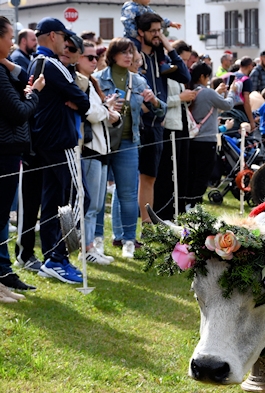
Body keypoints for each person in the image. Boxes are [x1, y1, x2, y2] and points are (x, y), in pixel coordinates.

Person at [27, 17, 90, 283]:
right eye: (64, 38)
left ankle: (53, 256)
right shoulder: (51, 63)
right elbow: (81, 98)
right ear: (53, 36)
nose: (67, 44)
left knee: (53, 201)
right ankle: (59, 255)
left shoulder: (34, 61)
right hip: (60, 141)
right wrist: (79, 102)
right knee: (79, 197)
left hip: (44, 140)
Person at [95, 37, 164, 258]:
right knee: (97, 195)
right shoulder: (97, 79)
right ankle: (96, 240)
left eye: (131, 52)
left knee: (127, 193)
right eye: (123, 52)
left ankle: (128, 240)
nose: (128, 56)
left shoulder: (139, 81)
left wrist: (153, 101)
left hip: (129, 142)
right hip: (101, 142)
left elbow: (162, 111)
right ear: (112, 55)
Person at [0, 16, 43, 294]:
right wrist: (35, 94)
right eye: (10, 37)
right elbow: (19, 111)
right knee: (0, 216)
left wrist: (6, 62)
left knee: (2, 216)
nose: (13, 42)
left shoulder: (2, 68)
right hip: (4, 150)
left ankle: (3, 272)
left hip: (8, 150)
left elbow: (21, 77)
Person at [135, 13, 189, 228]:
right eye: (153, 31)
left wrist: (168, 46)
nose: (158, 35)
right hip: (139, 121)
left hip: (158, 123)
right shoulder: (134, 53)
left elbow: (184, 76)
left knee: (151, 176)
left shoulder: (161, 57)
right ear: (141, 32)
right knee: (133, 179)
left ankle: (148, 223)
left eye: (160, 30)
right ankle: (129, 229)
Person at [76, 40, 119, 265]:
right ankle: (86, 248)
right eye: (89, 57)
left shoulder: (91, 82)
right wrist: (106, 110)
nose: (95, 61)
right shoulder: (79, 81)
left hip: (102, 149)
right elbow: (91, 113)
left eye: (96, 57)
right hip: (89, 149)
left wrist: (108, 110)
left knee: (97, 204)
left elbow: (105, 114)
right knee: (90, 204)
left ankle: (91, 245)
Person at [152, 39, 194, 220]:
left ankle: (179, 208)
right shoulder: (164, 73)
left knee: (182, 170)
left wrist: (188, 97)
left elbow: (181, 98)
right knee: (167, 172)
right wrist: (180, 97)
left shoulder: (180, 75)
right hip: (169, 126)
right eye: (182, 60)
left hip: (182, 124)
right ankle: (165, 211)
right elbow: (159, 101)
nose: (185, 64)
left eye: (187, 61)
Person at [186, 61, 233, 209]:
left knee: (191, 172)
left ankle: (188, 201)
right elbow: (227, 105)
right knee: (203, 174)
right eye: (207, 76)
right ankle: (195, 203)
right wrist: (232, 92)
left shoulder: (191, 91)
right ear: (202, 76)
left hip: (191, 138)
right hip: (207, 139)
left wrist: (216, 92)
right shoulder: (208, 92)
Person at [120, 0, 181, 74]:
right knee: (135, 48)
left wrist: (170, 23)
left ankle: (162, 64)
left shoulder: (146, 8)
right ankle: (137, 66)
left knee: (158, 44)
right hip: (132, 36)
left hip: (142, 34)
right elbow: (127, 23)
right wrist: (136, 35)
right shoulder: (130, 8)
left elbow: (156, 18)